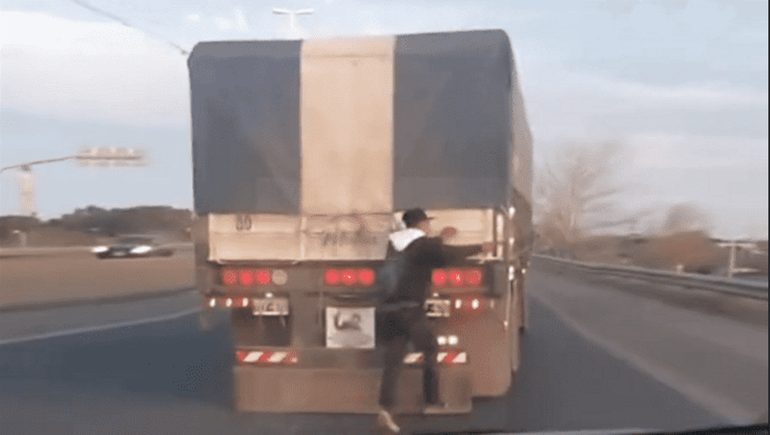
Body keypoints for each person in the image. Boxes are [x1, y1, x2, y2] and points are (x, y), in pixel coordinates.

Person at [376, 208, 495, 433]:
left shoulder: (393, 245)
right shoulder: (425, 247)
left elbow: (418, 253)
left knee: (393, 360)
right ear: (421, 225)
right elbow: (449, 256)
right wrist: (480, 248)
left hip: (388, 310)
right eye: (427, 223)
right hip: (410, 311)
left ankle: (385, 410)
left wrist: (440, 238)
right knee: (431, 348)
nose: (429, 226)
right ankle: (431, 401)